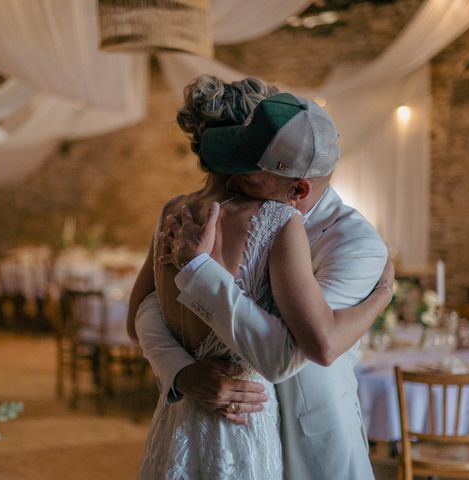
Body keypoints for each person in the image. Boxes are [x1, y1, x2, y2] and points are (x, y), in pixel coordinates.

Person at [131, 77, 393, 479]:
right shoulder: (258, 215)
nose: (237, 180)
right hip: (234, 419)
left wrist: (380, 296)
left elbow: (318, 344)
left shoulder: (354, 241)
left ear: (297, 186)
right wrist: (181, 372)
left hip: (312, 438)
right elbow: (147, 307)